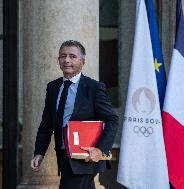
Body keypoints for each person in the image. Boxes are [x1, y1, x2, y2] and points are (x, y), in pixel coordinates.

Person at [30, 40, 119, 189]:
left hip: (85, 157)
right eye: (63, 56)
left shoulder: (94, 88)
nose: (67, 60)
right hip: (63, 156)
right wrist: (39, 152)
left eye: (72, 56)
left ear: (82, 61)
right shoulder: (53, 87)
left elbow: (112, 119)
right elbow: (46, 124)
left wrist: (99, 149)